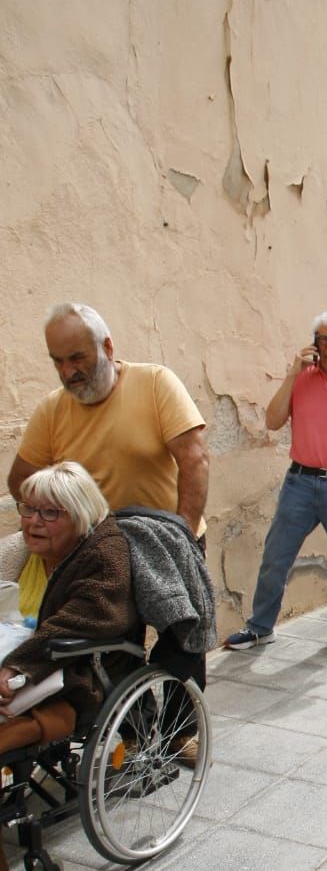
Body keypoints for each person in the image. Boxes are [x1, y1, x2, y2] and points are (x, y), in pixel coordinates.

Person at [7, 302, 209, 756]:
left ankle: (180, 732)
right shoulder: (52, 410)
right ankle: (135, 737)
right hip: (102, 547)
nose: (68, 371)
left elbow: (194, 459)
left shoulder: (155, 383)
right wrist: (63, 503)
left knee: (182, 638)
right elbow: (20, 479)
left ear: (107, 346)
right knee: (116, 645)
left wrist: (182, 530)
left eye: (77, 357)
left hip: (167, 536)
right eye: (58, 361)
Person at [223, 310, 327, 658]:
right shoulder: (302, 378)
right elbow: (272, 421)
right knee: (275, 557)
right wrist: (291, 374)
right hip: (300, 481)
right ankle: (260, 627)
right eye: (322, 340)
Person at [0, 462, 138, 725]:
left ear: (79, 515)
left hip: (73, 669)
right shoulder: (22, 550)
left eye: (50, 513)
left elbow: (84, 618)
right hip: (24, 652)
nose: (34, 522)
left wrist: (18, 664)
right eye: (28, 508)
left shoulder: (103, 556)